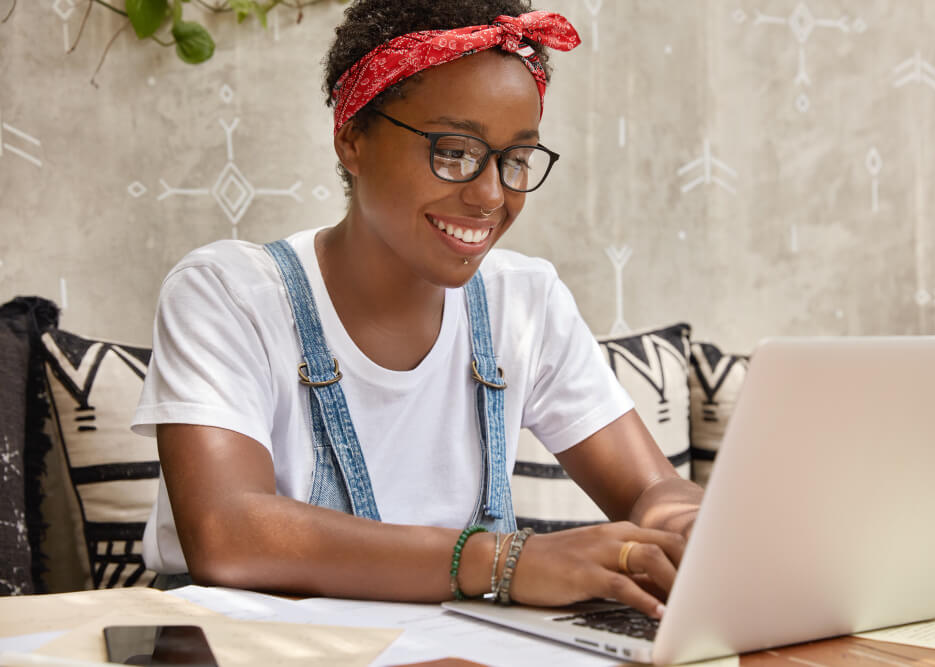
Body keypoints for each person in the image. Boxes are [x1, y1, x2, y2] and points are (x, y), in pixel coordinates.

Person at [133, 0, 703, 619]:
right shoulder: (229, 293)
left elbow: (648, 487)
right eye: (454, 151)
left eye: (515, 160)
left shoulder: (524, 301)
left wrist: (691, 526)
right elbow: (227, 533)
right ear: (352, 140)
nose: (490, 195)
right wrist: (506, 563)